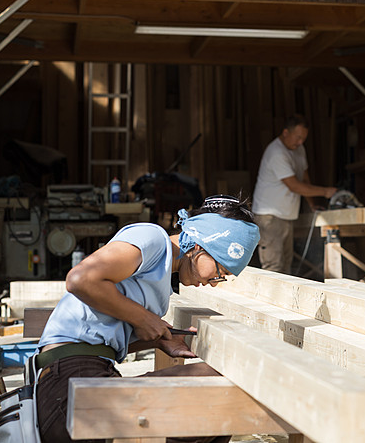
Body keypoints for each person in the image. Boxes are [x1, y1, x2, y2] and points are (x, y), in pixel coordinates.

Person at [35, 195, 260, 443]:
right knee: (220, 388)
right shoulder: (152, 238)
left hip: (82, 380)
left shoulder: (160, 281)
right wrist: (142, 319)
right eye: (220, 271)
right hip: (67, 388)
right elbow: (80, 280)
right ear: (200, 246)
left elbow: (100, 336)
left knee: (218, 413)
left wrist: (157, 340)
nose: (214, 283)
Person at [252, 114, 337, 274]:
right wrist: (325, 191)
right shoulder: (276, 152)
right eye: (298, 137)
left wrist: (312, 204)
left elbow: (304, 179)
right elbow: (294, 185)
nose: (300, 142)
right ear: (286, 133)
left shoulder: (299, 149)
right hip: (269, 216)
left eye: (303, 138)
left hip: (287, 214)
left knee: (286, 266)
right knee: (273, 266)